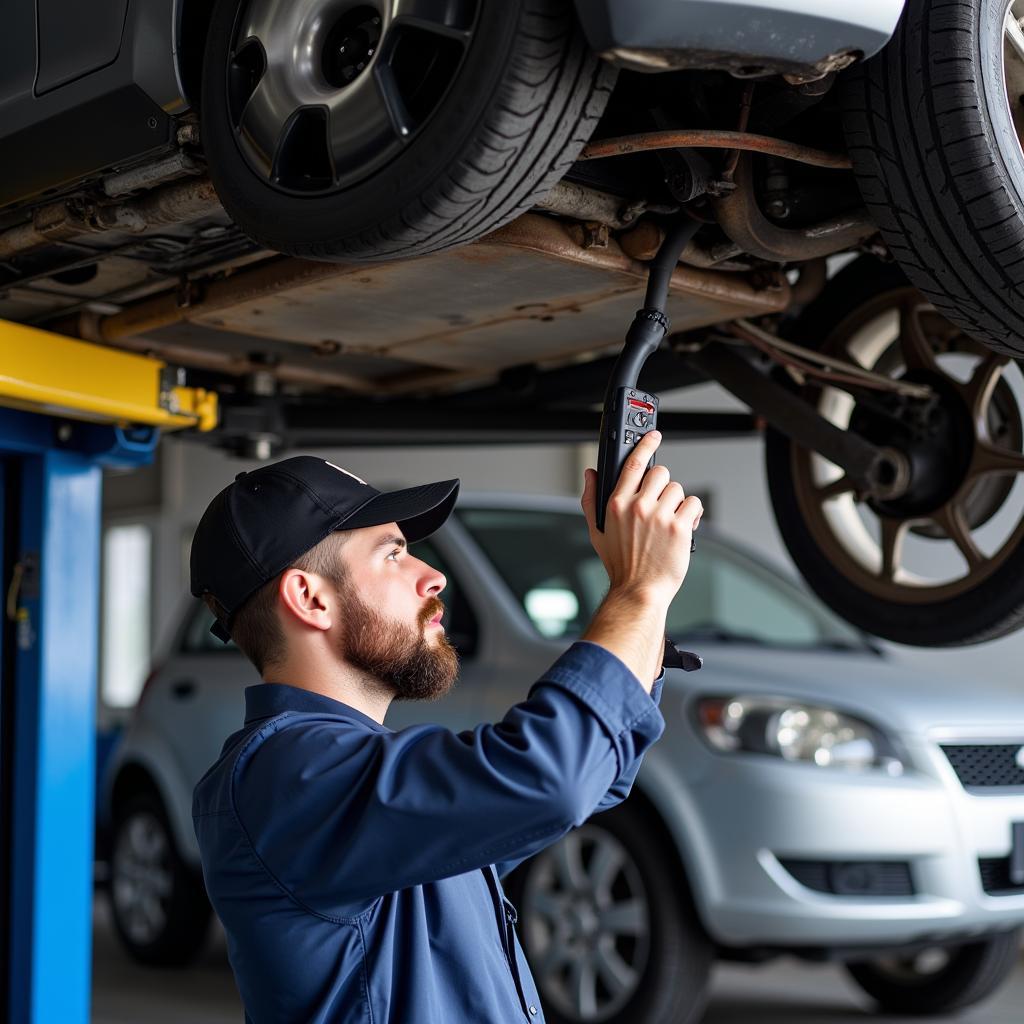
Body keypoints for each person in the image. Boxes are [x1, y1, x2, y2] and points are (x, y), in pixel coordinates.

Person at [190, 430, 702, 1024]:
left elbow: (591, 779)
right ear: (310, 598)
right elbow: (552, 777)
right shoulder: (285, 775)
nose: (432, 576)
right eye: (392, 554)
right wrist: (637, 591)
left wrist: (648, 609)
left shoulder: (356, 789)